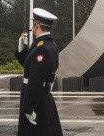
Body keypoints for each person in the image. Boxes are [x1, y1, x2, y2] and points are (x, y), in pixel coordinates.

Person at [14, 8, 63, 136]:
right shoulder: (48, 45)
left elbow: (35, 79)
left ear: (36, 24)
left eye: (33, 24)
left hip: (36, 101)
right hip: (41, 97)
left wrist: (28, 108)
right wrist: (21, 50)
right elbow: (30, 66)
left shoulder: (42, 48)